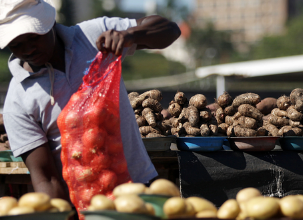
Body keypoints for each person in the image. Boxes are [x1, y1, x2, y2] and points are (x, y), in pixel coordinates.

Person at [0, 0, 181, 204]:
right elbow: (46, 178)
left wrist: (130, 36)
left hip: (140, 190)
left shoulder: (91, 36)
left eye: (33, 37)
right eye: (16, 44)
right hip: (87, 207)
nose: (28, 49)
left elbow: (170, 30)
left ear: (49, 23)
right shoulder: (16, 103)